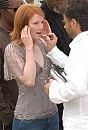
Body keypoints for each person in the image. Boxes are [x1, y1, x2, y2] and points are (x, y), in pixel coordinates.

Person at [43, 0, 88, 129]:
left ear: (73, 22)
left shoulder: (82, 49)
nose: (64, 26)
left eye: (65, 22)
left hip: (84, 123)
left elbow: (76, 88)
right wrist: (53, 51)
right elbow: (80, 68)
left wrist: (53, 89)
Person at [4, 4, 59, 130]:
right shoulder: (12, 49)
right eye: (35, 23)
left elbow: (57, 75)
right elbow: (29, 81)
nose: (40, 27)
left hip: (52, 115)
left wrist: (52, 48)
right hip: (28, 120)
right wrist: (29, 48)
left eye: (42, 22)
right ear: (23, 26)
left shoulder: (43, 44)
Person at [41, 1, 72, 129]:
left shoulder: (63, 12)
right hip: (53, 80)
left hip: (68, 69)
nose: (61, 1)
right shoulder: (42, 16)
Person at [0, 0, 23, 130]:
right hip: (11, 116)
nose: (21, 13)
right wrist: (7, 116)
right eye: (16, 9)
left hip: (28, 111)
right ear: (3, 12)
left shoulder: (22, 35)